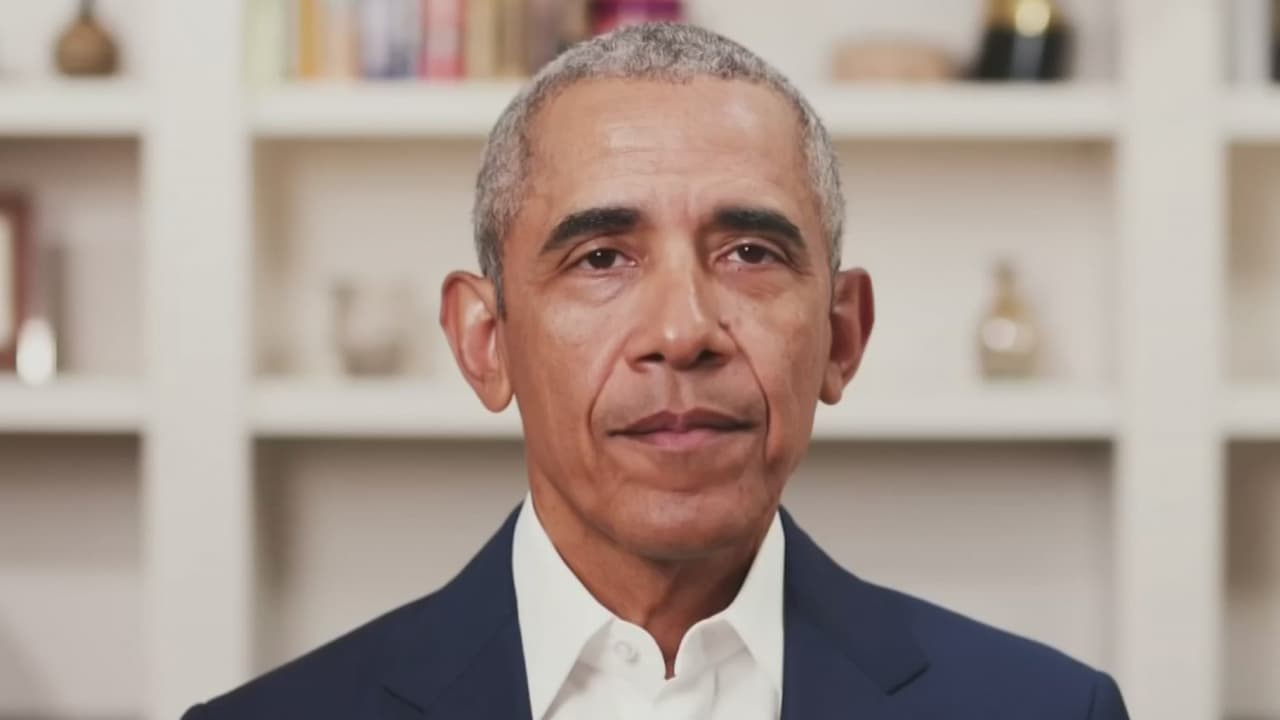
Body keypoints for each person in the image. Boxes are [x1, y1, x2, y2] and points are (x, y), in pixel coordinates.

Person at [182, 23, 1129, 720]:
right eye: (601, 258)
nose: (682, 333)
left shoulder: (1048, 711)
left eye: (750, 253)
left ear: (842, 336)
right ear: (485, 341)